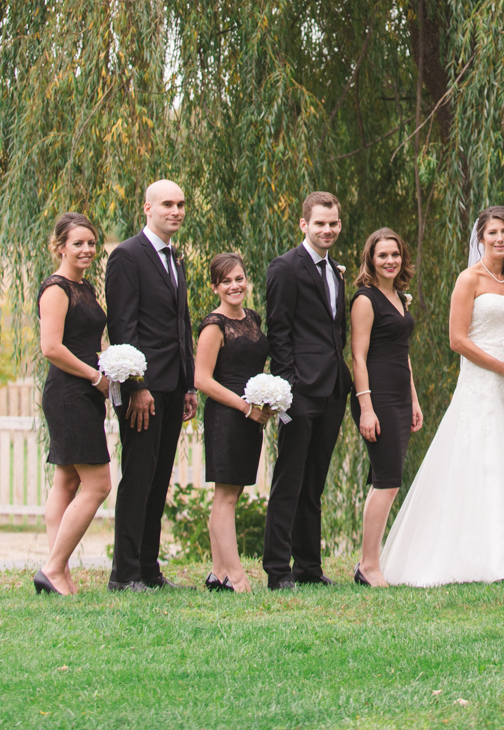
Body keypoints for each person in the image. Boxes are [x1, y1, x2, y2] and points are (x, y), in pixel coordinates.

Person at [380, 206, 504, 585]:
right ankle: (471, 553)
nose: (499, 238)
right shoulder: (468, 280)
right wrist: (502, 368)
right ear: (480, 238)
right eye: (492, 233)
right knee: (479, 457)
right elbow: (457, 340)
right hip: (482, 380)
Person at [105, 179, 196, 591]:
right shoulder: (127, 256)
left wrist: (190, 385)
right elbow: (123, 327)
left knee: (159, 479)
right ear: (147, 208)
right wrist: (137, 386)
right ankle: (124, 575)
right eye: (167, 204)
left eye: (180, 204)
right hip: (143, 389)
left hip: (174, 386)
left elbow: (182, 327)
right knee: (138, 477)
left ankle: (148, 569)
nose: (175, 211)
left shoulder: (175, 258)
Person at [262, 191, 353, 589]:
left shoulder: (336, 270)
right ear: (304, 225)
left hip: (333, 388)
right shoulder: (285, 267)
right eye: (320, 223)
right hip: (300, 391)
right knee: (290, 481)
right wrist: (287, 391)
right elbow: (278, 332)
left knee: (314, 482)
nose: (327, 230)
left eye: (333, 223)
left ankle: (310, 569)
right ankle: (277, 570)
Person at [34, 213, 113, 595]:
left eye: (92, 243)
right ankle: (52, 568)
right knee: (98, 484)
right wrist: (95, 376)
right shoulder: (56, 289)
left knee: (66, 480)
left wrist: (112, 365)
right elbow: (51, 348)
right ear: (60, 246)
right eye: (78, 243)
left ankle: (59, 573)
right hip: (68, 393)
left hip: (85, 391)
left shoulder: (86, 288)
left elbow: (89, 340)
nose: (86, 250)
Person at [194, 253, 271, 592]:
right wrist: (244, 407)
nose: (235, 285)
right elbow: (202, 380)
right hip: (227, 416)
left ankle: (218, 572)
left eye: (239, 278)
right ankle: (236, 576)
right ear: (215, 287)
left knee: (231, 494)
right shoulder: (214, 325)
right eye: (226, 281)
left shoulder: (252, 318)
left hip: (251, 417)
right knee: (224, 497)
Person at [350, 228, 423, 586]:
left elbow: (403, 354)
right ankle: (368, 565)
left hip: (398, 395)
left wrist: (413, 399)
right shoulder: (366, 299)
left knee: (387, 480)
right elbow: (358, 358)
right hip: (375, 395)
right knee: (387, 482)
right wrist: (366, 407)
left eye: (395, 254)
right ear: (370, 260)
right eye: (382, 256)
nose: (390, 261)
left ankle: (369, 562)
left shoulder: (400, 298)